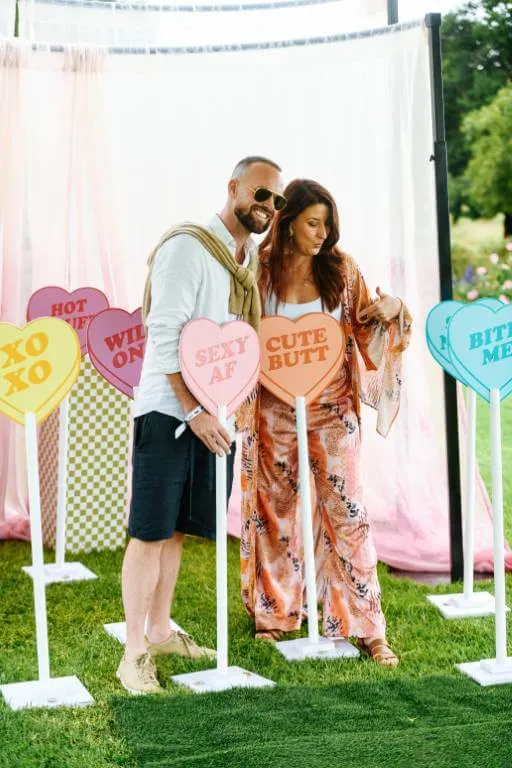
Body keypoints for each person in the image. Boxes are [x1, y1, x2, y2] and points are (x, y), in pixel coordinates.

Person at [117, 156, 285, 693]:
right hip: (170, 413)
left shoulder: (244, 260)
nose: (268, 208)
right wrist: (193, 412)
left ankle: (162, 629)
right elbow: (163, 335)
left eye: (276, 201)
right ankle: (134, 653)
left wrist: (223, 410)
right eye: (261, 195)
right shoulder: (188, 247)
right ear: (234, 187)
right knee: (149, 532)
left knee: (178, 531)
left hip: (215, 417)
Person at [240, 179, 412, 666]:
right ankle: (275, 615)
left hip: (333, 408)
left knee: (348, 513)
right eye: (313, 223)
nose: (322, 234)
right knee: (274, 512)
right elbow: (238, 333)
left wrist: (395, 310)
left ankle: (367, 627)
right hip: (272, 409)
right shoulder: (259, 272)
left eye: (327, 225)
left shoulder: (342, 269)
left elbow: (367, 329)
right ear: (288, 221)